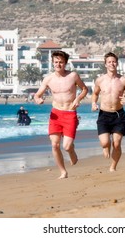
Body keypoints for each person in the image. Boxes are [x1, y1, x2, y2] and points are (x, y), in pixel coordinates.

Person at [34, 50, 88, 179]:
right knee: (55, 145)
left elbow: (85, 89)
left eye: (61, 62)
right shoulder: (48, 79)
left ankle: (71, 151)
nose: (58, 64)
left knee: (67, 146)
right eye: (56, 62)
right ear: (53, 63)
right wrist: (38, 99)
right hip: (56, 114)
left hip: (70, 113)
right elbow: (37, 94)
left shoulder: (73, 76)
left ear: (65, 63)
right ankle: (63, 171)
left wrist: (78, 99)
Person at [91, 52, 125, 172]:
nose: (112, 64)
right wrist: (94, 103)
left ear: (117, 63)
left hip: (118, 115)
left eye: (114, 61)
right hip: (104, 115)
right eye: (109, 62)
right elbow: (94, 94)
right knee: (105, 143)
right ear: (105, 64)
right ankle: (105, 147)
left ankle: (113, 166)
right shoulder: (100, 80)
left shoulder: (123, 80)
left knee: (117, 143)